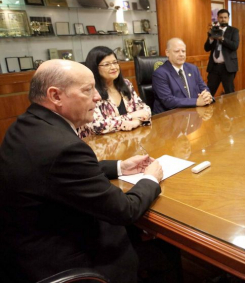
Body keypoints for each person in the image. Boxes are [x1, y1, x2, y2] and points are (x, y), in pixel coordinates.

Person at [0, 60, 164, 282]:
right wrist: (150, 179)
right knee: (156, 244)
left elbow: (57, 172)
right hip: (65, 259)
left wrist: (119, 166)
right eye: (88, 90)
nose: (97, 96)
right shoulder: (63, 148)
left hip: (26, 244)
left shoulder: (28, 124)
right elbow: (125, 210)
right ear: (55, 96)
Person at [78, 46, 151, 138]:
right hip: (99, 144)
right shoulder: (90, 91)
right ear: (95, 68)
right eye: (106, 64)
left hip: (127, 139)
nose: (113, 67)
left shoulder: (126, 84)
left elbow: (145, 110)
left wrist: (137, 122)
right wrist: (131, 116)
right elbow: (97, 125)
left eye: (115, 62)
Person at [153, 37, 213, 113]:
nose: (181, 54)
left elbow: (204, 88)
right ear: (167, 53)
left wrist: (207, 96)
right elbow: (168, 101)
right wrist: (196, 102)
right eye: (177, 51)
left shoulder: (193, 69)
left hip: (193, 114)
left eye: (183, 51)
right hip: (169, 117)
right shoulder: (160, 73)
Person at [204, 8, 240, 96]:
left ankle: (232, 109)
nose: (223, 19)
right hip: (214, 67)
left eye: (225, 17)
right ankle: (208, 109)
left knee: (230, 93)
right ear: (217, 18)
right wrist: (211, 39)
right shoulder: (213, 31)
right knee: (209, 92)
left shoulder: (234, 31)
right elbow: (206, 48)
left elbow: (235, 46)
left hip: (227, 67)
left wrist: (222, 39)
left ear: (228, 18)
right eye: (221, 17)